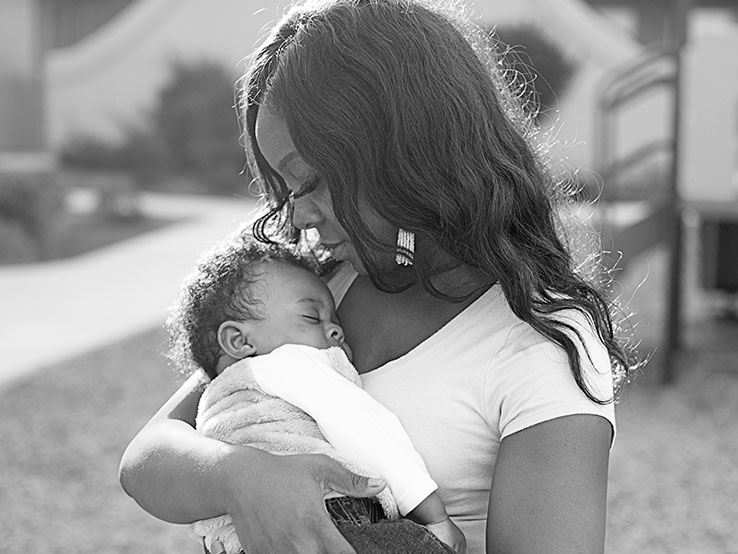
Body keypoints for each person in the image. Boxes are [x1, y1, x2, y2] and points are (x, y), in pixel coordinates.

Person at [119, 1, 635, 553]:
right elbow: (146, 457)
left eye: (310, 181)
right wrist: (240, 477)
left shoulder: (540, 341)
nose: (295, 217)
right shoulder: (324, 284)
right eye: (286, 191)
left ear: (402, 154)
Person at [166, 232, 465, 554]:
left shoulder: (212, 403)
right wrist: (433, 514)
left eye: (335, 319)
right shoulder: (288, 363)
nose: (336, 329)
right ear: (240, 342)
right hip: (329, 515)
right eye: (312, 317)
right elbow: (365, 429)